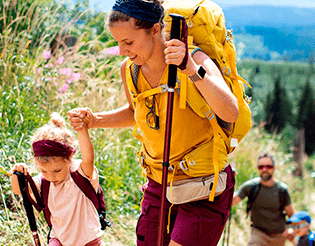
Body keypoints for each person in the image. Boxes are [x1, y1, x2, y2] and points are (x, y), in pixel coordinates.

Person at [67, 0, 239, 245]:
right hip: (158, 184)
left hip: (203, 185)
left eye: (128, 42)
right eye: (118, 42)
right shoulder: (130, 70)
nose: (121, 50)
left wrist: (190, 67)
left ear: (155, 30)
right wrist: (95, 120)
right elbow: (136, 111)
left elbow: (230, 112)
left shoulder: (195, 57)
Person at [11, 112, 103, 246]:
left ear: (69, 159)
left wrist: (81, 130)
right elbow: (19, 190)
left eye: (57, 170)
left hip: (88, 240)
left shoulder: (81, 174)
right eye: (44, 170)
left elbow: (88, 159)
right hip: (59, 239)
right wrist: (16, 174)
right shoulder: (44, 182)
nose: (51, 176)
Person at [232, 152, 296, 246]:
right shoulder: (251, 186)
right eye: (261, 167)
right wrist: (228, 181)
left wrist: (292, 229)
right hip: (258, 234)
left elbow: (292, 215)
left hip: (279, 237)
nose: (264, 169)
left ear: (274, 168)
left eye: (268, 166)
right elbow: (231, 201)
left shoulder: (282, 190)